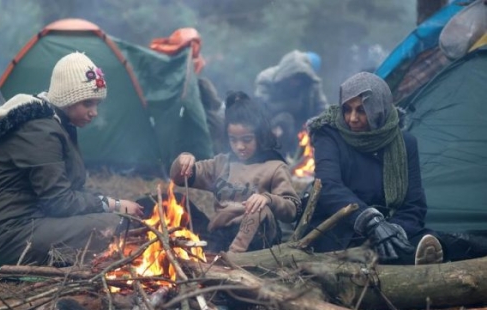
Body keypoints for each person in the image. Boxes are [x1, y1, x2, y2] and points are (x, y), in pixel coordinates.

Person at [0, 52, 144, 267]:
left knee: (115, 224)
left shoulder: (55, 123)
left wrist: (107, 204)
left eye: (97, 104)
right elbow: (59, 201)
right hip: (6, 235)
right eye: (88, 103)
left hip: (31, 221)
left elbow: (65, 193)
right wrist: (113, 205)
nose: (94, 112)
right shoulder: (40, 131)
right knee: (114, 225)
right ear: (68, 99)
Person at [305, 72, 444, 265]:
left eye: (361, 110)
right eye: (347, 109)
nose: (352, 118)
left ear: (378, 109)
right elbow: (328, 186)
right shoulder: (328, 135)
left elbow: (414, 205)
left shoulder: (405, 143)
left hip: (388, 226)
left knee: (443, 242)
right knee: (369, 254)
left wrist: (394, 231)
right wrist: (371, 222)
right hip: (338, 229)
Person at [169, 91, 301, 253]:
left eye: (247, 140)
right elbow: (180, 179)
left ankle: (234, 258)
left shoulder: (274, 167)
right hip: (220, 234)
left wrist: (268, 199)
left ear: (260, 136)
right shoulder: (222, 163)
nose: (240, 147)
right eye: (233, 140)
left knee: (259, 210)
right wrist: (183, 160)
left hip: (257, 237)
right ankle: (214, 253)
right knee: (175, 200)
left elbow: (292, 209)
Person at [254, 50, 328, 158]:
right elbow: (260, 107)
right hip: (273, 128)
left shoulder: (312, 85)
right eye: (293, 78)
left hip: (302, 128)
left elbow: (321, 107)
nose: (296, 83)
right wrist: (288, 106)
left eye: (299, 79)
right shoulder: (266, 79)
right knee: (285, 120)